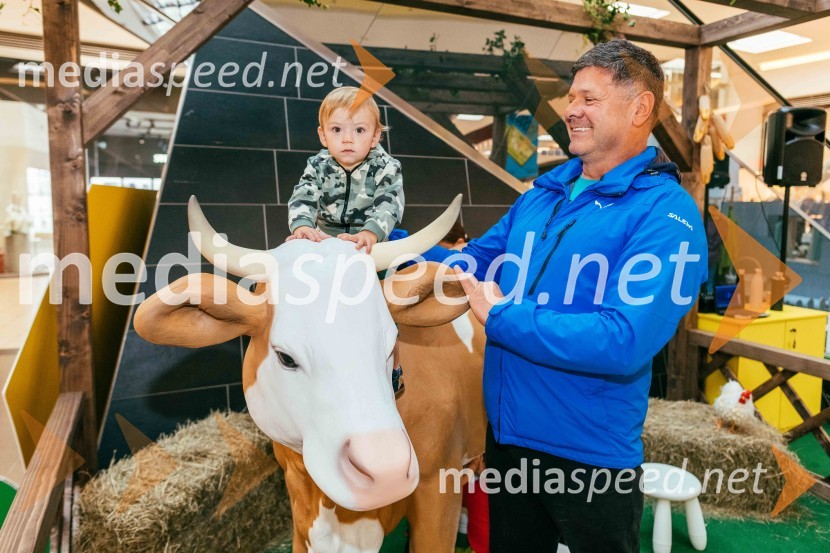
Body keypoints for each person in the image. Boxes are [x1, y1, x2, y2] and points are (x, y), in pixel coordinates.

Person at [447, 39, 708, 552]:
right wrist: (380, 247)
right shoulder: (544, 193)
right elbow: (476, 257)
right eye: (571, 98)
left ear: (640, 108)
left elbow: (623, 338)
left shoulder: (667, 216)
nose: (571, 110)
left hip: (590, 459)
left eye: (589, 99)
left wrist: (503, 317)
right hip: (508, 441)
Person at [286, 86, 404, 254]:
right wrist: (303, 225)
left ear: (375, 136)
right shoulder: (317, 165)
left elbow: (389, 204)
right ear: (323, 135)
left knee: (383, 274)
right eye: (336, 129)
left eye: (359, 130)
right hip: (324, 243)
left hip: (369, 244)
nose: (347, 139)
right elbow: (303, 197)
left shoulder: (386, 167)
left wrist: (370, 233)